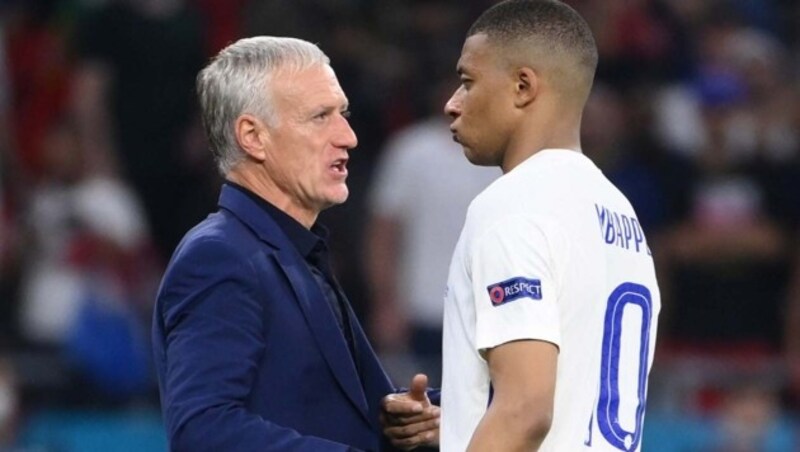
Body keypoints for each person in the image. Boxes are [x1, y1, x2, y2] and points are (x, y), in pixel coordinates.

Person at [152, 36, 438, 452]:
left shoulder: (294, 252)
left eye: (344, 113)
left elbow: (338, 414)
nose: (348, 136)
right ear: (252, 136)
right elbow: (204, 430)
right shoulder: (220, 257)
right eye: (321, 116)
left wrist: (426, 417)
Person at [439, 0, 661, 450]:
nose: (452, 103)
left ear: (523, 86)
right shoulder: (619, 212)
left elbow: (524, 411)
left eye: (468, 81)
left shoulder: (514, 204)